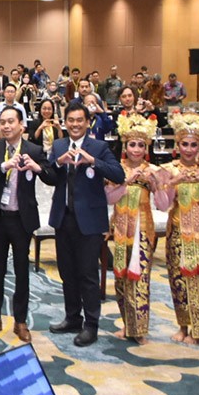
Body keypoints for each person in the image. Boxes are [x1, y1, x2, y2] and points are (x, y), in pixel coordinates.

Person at [47, 102, 125, 347]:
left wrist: (92, 161)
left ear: (88, 122)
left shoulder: (99, 147)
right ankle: (72, 318)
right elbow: (49, 176)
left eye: (79, 120)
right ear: (65, 122)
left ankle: (91, 325)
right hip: (63, 218)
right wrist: (58, 163)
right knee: (67, 272)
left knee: (88, 274)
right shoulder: (59, 145)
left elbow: (118, 174)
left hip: (89, 222)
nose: (75, 124)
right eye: (70, 120)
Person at [0, 106, 53, 343]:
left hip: (22, 219)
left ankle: (20, 321)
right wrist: (4, 166)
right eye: (3, 122)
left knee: (22, 271)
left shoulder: (34, 150)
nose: (6, 126)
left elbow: (51, 177)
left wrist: (37, 168)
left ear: (21, 125)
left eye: (11, 121)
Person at [154, 110, 199, 345]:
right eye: (185, 144)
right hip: (177, 232)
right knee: (178, 279)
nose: (189, 149)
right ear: (178, 145)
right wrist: (172, 183)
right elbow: (162, 205)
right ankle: (183, 326)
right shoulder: (168, 170)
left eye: (194, 144)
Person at [106, 113, 164, 344]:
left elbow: (163, 204)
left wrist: (156, 185)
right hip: (121, 230)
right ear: (125, 146)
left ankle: (139, 329)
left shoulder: (153, 170)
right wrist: (126, 182)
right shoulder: (116, 169)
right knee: (121, 279)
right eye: (132, 144)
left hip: (142, 231)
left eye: (141, 145)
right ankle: (127, 324)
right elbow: (109, 198)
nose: (136, 150)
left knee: (139, 278)